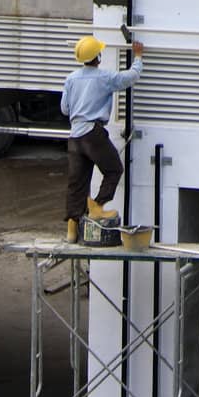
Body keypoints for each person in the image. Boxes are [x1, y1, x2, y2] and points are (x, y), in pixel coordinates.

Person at [61, 34, 144, 243]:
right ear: (97, 56)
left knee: (77, 182)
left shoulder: (71, 78)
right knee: (114, 168)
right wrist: (139, 56)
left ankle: (72, 229)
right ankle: (97, 206)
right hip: (93, 134)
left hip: (74, 136)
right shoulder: (104, 77)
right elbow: (130, 77)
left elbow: (64, 109)